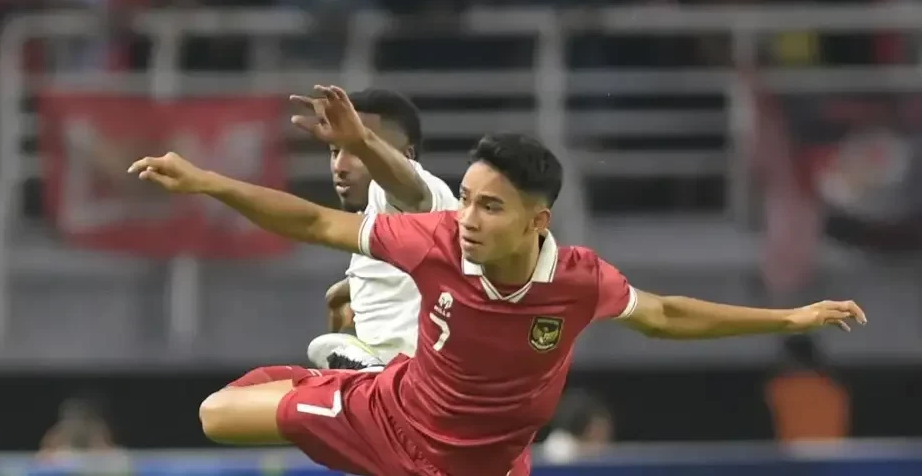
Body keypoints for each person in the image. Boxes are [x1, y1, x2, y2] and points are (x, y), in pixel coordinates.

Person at [129, 117, 867, 476]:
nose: (468, 219)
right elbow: (318, 220)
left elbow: (667, 313)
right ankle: (357, 371)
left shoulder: (578, 280)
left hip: (488, 468)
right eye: (468, 199)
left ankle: (359, 362)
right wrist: (207, 182)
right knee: (217, 416)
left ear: (536, 220)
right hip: (390, 422)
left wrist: (792, 315)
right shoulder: (436, 241)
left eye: (490, 206)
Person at [289, 86, 458, 370]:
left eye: (356, 151)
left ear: (407, 156)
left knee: (229, 410)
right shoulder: (378, 220)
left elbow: (411, 188)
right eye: (334, 151)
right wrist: (345, 292)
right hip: (394, 384)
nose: (339, 166)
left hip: (413, 384)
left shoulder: (420, 194)